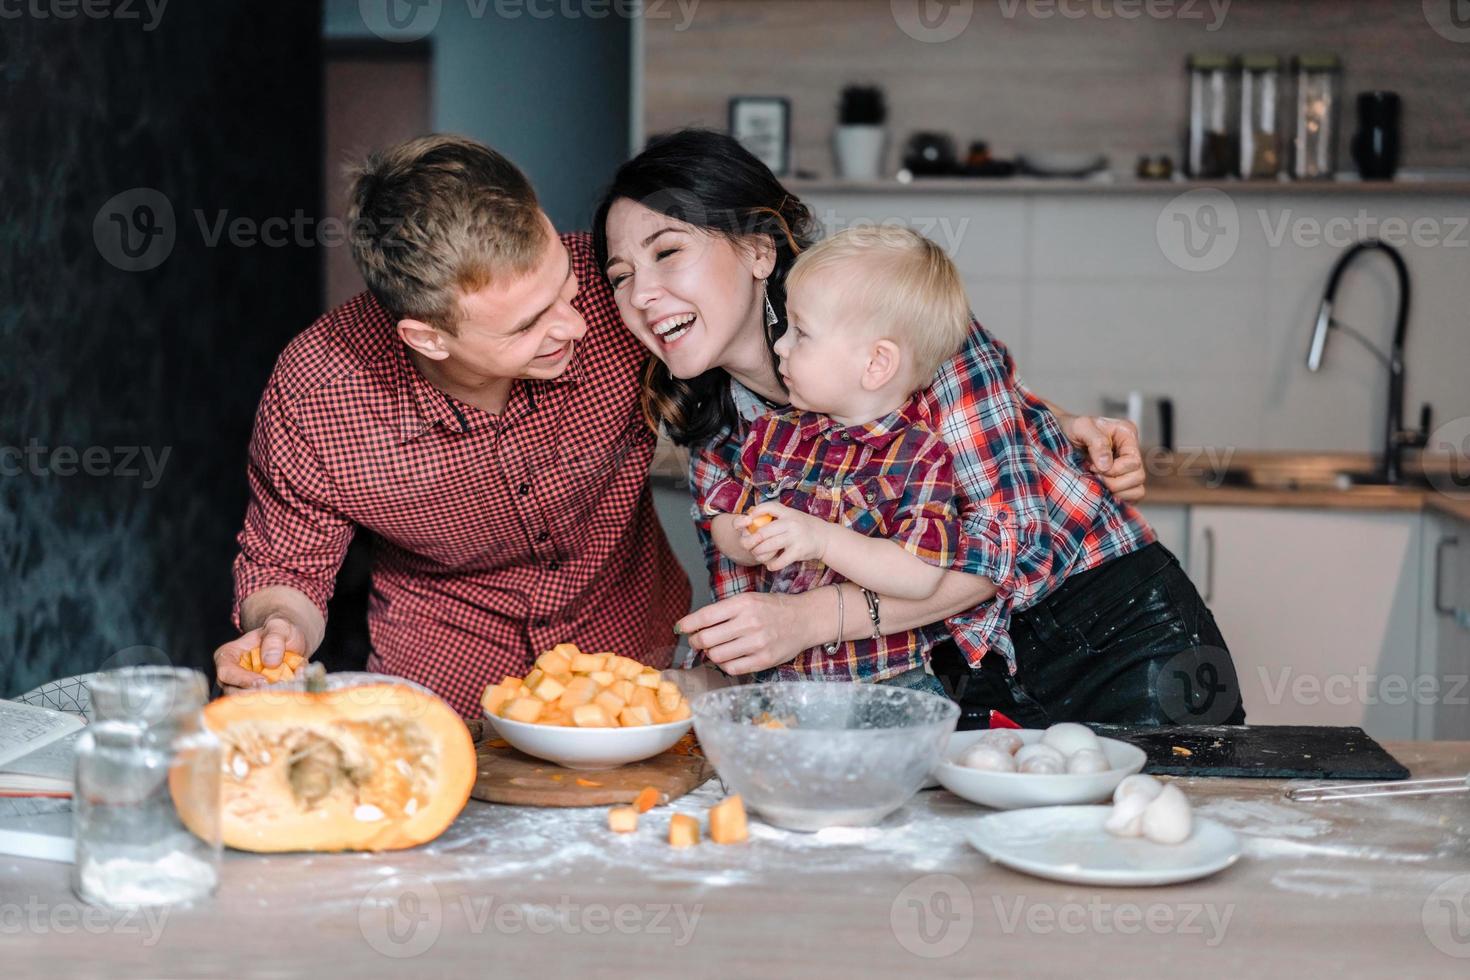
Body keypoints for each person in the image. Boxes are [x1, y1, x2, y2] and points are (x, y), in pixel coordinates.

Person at [595, 129, 1245, 727]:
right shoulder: (716, 434)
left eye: (667, 252)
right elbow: (770, 631)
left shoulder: (891, 316)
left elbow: (1003, 554)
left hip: (1109, 632)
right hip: (960, 675)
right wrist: (702, 679)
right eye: (620, 277)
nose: (641, 295)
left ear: (759, 248)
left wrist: (809, 619)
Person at [212, 134, 689, 718]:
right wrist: (278, 630)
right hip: (443, 670)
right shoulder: (318, 394)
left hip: (630, 650)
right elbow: (288, 567)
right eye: (527, 327)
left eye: (565, 288)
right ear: (428, 338)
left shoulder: (619, 286)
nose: (576, 327)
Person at [704, 226, 978, 686]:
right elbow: (722, 521)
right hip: (785, 683)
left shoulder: (920, 456)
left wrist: (821, 539)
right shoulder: (774, 434)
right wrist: (746, 534)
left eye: (801, 333)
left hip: (887, 684)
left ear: (875, 364)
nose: (780, 345)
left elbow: (920, 575)